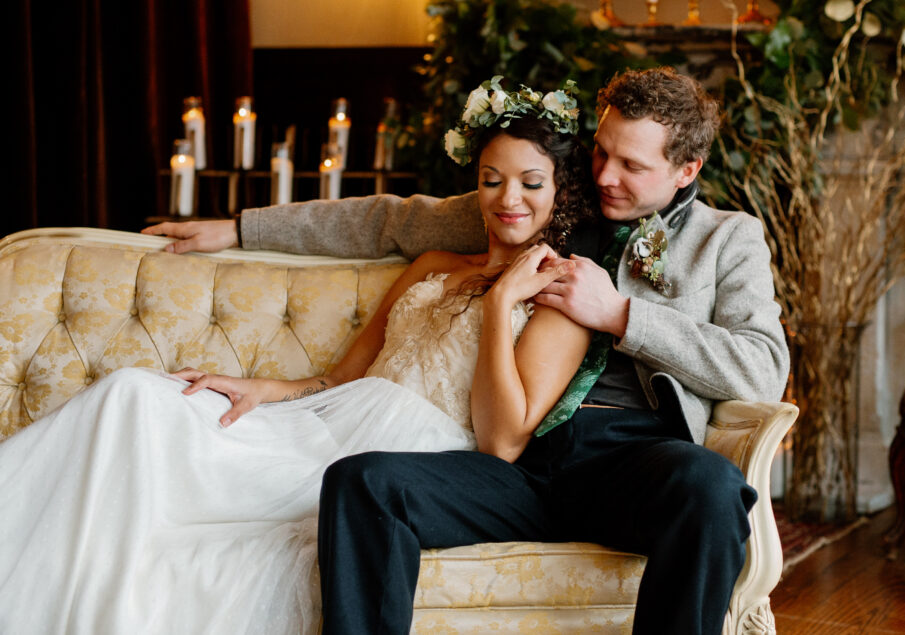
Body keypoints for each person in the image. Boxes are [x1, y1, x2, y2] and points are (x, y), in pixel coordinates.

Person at [146, 67, 791, 634]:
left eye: (632, 166)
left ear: (687, 170)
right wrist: (238, 227)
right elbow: (389, 220)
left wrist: (623, 316)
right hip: (513, 461)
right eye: (601, 152)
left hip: (634, 460)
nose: (604, 176)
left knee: (711, 487)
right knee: (363, 482)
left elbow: (763, 367)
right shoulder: (552, 202)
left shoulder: (727, 240)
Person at [0, 82, 598, 635]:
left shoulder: (560, 298)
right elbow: (339, 377)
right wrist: (258, 388)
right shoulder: (433, 264)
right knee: (130, 393)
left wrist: (499, 306)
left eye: (531, 182)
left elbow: (501, 444)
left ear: (561, 190)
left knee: (206, 546)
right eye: (492, 179)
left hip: (399, 459)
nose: (507, 199)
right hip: (324, 423)